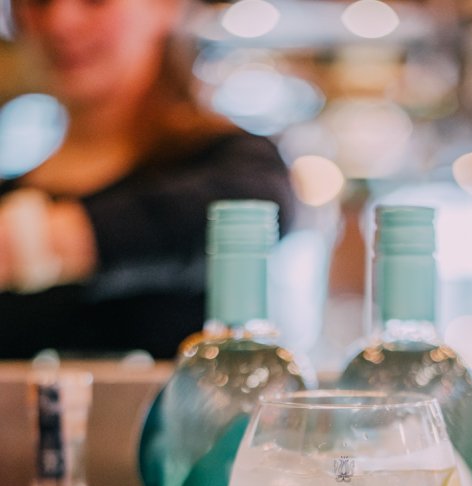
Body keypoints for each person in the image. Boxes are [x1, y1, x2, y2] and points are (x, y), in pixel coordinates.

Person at [0, 0, 295, 358]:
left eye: (95, 1)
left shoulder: (228, 165)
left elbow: (252, 210)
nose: (60, 23)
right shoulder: (10, 193)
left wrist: (33, 242)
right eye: (38, 2)